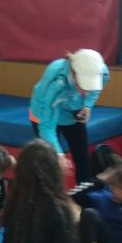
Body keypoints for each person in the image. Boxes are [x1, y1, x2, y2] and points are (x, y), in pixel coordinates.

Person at [29, 49, 109, 184]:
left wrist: (87, 106)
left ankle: (84, 194)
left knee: (82, 158)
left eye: (88, 88)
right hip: (45, 112)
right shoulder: (54, 84)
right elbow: (47, 125)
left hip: (70, 111)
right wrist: (58, 154)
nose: (85, 92)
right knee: (49, 163)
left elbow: (96, 90)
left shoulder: (101, 71)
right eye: (82, 86)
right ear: (73, 73)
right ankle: (48, 195)